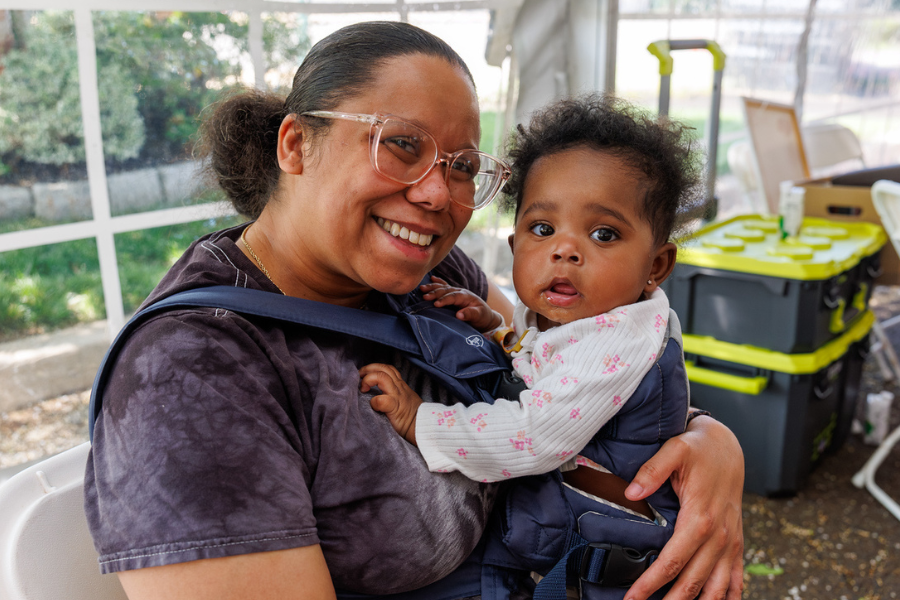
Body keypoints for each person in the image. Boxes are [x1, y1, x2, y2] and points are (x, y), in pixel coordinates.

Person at [83, 21, 745, 600]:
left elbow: (573, 370)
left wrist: (709, 442)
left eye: (462, 166)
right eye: (402, 144)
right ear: (295, 145)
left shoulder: (430, 274)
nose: (437, 194)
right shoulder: (191, 374)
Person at [359, 94, 696, 594]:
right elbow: (551, 364)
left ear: (656, 265)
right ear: (516, 246)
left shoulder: (621, 338)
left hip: (614, 570)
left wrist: (420, 420)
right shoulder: (583, 316)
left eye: (604, 234)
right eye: (543, 229)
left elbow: (535, 434)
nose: (564, 249)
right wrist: (499, 329)